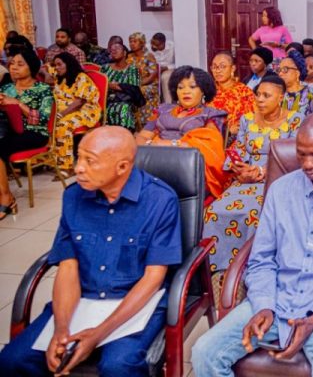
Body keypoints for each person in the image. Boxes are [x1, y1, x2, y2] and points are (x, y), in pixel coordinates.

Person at [191, 113, 313, 377]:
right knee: (204, 352)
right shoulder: (280, 191)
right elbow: (261, 259)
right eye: (301, 154)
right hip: (278, 297)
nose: (308, 164)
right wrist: (264, 305)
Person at [0, 126, 182, 376]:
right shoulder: (73, 196)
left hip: (135, 304)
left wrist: (99, 333)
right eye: (79, 157)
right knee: (13, 360)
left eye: (90, 161)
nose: (78, 168)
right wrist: (61, 330)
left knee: (118, 366)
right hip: (83, 299)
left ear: (122, 167)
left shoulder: (159, 200)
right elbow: (68, 267)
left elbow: (154, 277)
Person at [203, 75, 302, 273]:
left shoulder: (296, 120)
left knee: (253, 213)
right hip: (245, 179)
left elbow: (294, 158)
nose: (260, 100)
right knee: (213, 211)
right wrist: (238, 168)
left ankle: (250, 268)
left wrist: (262, 172)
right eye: (258, 94)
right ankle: (218, 270)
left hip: (278, 179)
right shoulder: (247, 119)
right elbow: (239, 149)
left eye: (267, 96)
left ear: (281, 97)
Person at [136, 66, 230, 198]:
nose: (186, 91)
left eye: (192, 87)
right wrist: (151, 146)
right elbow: (142, 137)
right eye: (180, 87)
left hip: (186, 167)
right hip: (154, 161)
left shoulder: (210, 115)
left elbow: (209, 146)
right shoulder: (163, 110)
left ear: (203, 90)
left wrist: (166, 144)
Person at [0, 49, 53, 220]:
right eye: (12, 64)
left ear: (31, 67)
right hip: (9, 131)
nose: (14, 67)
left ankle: (7, 198)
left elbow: (42, 119)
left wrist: (17, 104)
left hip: (34, 133)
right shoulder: (6, 88)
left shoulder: (43, 89)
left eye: (20, 64)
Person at [52, 52, 102, 171]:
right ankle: (52, 160)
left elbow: (79, 102)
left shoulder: (81, 77)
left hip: (85, 111)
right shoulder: (60, 79)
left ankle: (66, 166)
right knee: (48, 123)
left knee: (62, 125)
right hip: (67, 110)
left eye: (59, 64)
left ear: (68, 64)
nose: (56, 68)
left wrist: (61, 114)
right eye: (55, 65)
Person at [208, 52, 258, 136]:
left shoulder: (244, 92)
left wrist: (231, 131)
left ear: (232, 68)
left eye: (222, 66)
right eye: (214, 67)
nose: (218, 70)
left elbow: (253, 118)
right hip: (211, 136)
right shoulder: (208, 91)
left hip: (238, 137)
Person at [101, 43, 142, 131]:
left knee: (123, 109)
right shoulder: (105, 68)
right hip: (105, 100)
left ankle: (125, 134)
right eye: (112, 50)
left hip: (125, 101)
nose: (114, 51)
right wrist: (113, 85)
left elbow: (133, 89)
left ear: (124, 53)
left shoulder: (132, 69)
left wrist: (113, 86)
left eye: (117, 48)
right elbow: (100, 85)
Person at [126, 32, 159, 131]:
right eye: (130, 42)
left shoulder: (149, 56)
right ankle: (133, 124)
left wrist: (138, 84)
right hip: (133, 84)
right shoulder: (129, 57)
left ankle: (147, 124)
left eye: (135, 41)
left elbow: (152, 76)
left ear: (142, 43)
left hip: (148, 84)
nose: (132, 44)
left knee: (139, 91)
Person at [278, 49, 313, 116]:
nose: (280, 74)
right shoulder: (276, 93)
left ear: (297, 73)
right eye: (279, 70)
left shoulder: (312, 94)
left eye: (285, 69)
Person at [150, 32, 175, 103]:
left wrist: (166, 68)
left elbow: (179, 62)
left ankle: (168, 103)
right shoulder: (148, 47)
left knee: (165, 77)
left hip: (168, 69)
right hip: (153, 70)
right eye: (153, 43)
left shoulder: (172, 46)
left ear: (163, 43)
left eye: (157, 45)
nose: (154, 46)